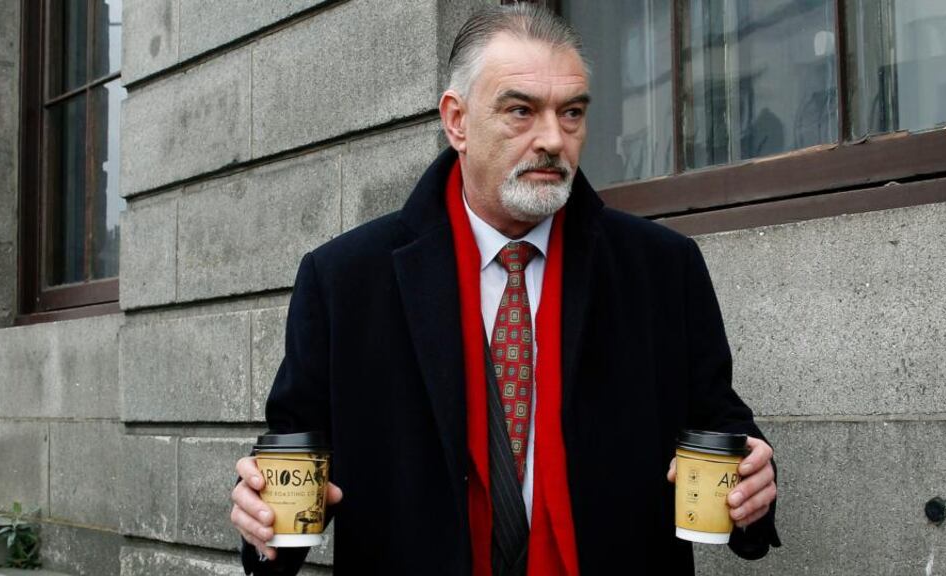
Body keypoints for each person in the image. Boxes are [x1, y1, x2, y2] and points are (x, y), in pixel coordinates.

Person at [231, 5, 781, 575]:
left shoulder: (663, 269)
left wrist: (752, 487)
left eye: (571, 114)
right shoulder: (345, 279)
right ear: (457, 121)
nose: (553, 139)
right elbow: (290, 461)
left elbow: (721, 427)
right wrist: (260, 523)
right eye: (521, 110)